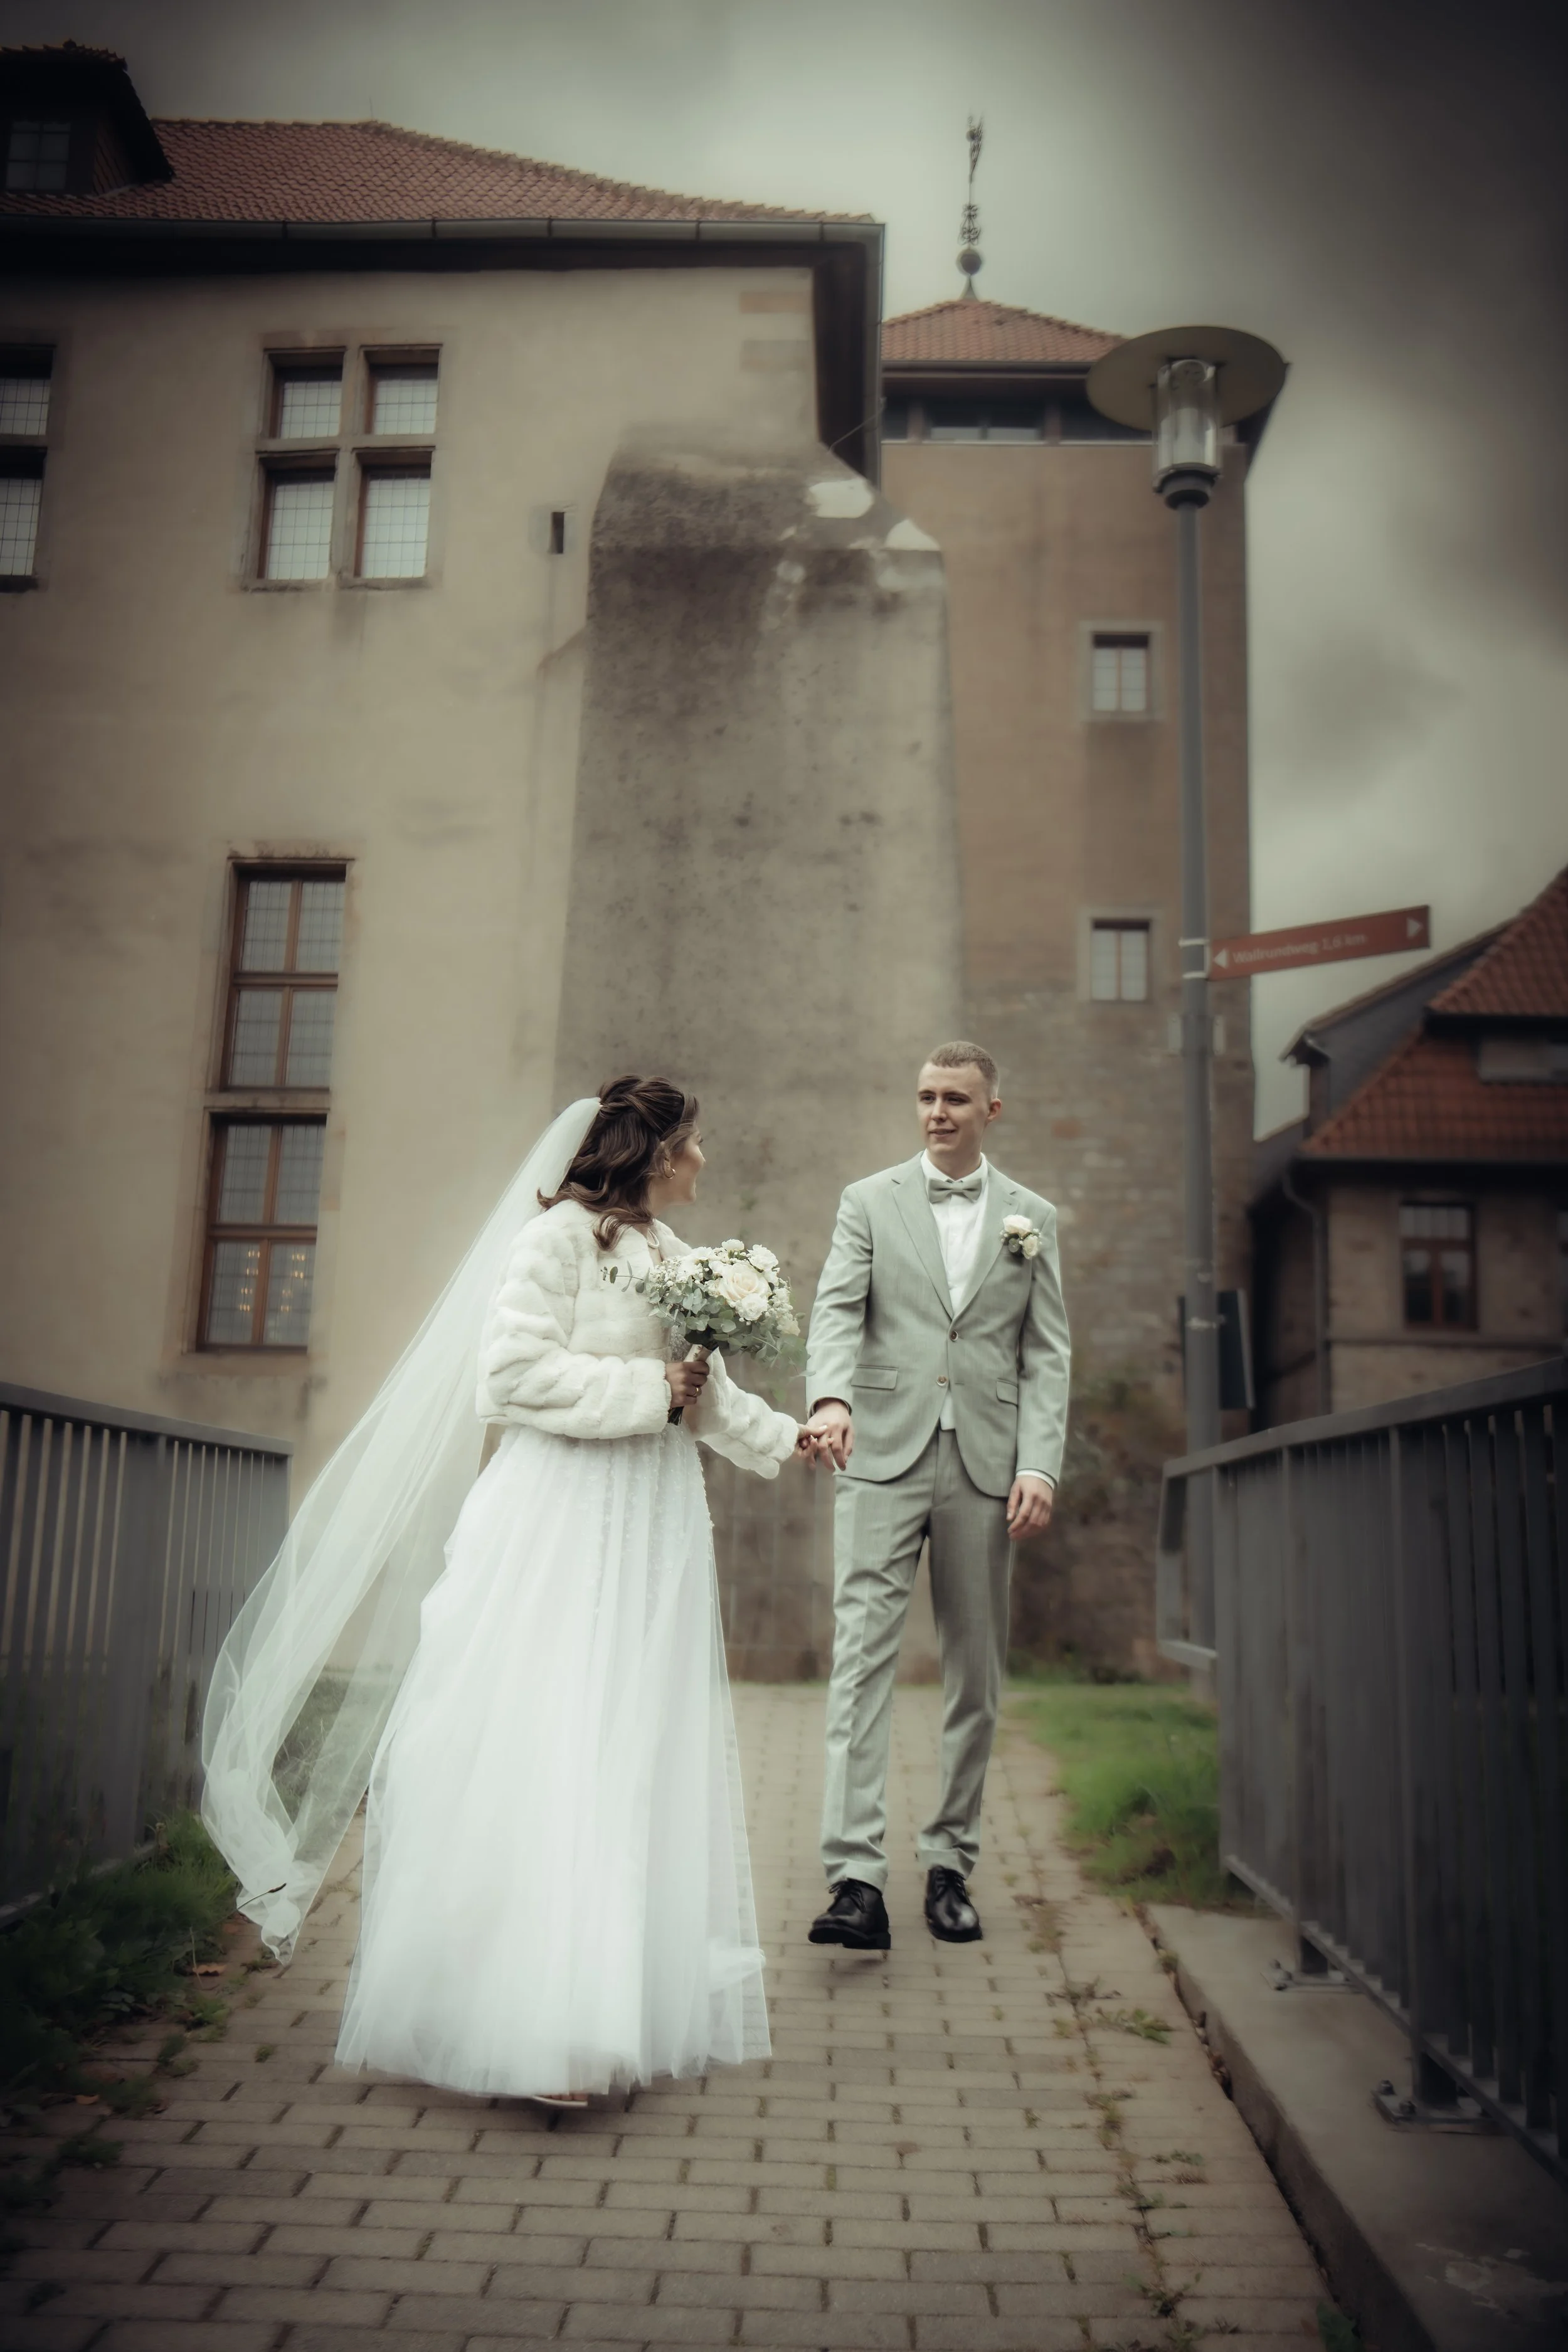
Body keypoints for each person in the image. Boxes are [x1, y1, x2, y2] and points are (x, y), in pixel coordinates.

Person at [204, 1079, 805, 2111]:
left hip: (650, 1526)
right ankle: (540, 2028)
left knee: (627, 1749)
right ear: (656, 1151)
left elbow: (700, 1396)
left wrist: (794, 1438)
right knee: (555, 1744)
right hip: (562, 1521)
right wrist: (646, 1395)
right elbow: (513, 1376)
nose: (705, 1159)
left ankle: (604, 2003)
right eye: (696, 1142)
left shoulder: (666, 1255)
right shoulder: (557, 1241)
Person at [801, 1043, 1070, 1952]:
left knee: (976, 1675)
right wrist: (831, 1397)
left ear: (993, 1108)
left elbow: (1046, 1352)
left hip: (988, 1469)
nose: (937, 1111)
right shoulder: (868, 1200)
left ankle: (950, 1861)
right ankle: (855, 1878)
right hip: (880, 1453)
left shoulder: (1033, 1218)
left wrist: (1041, 1463)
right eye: (925, 1096)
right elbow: (837, 1307)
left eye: (956, 1097)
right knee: (860, 1665)